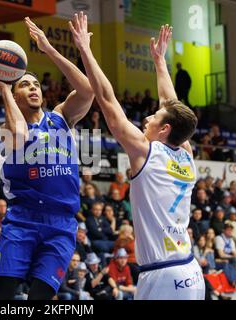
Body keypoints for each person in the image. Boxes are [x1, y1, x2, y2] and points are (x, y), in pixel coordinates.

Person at [70, 15, 203, 299]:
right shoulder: (186, 153)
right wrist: (159, 62)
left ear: (165, 129)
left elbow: (107, 100)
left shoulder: (146, 151)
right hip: (189, 271)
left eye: (154, 117)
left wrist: (85, 50)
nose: (148, 118)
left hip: (163, 274)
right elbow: (170, 103)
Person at [0, 17, 94, 300]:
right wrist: (5, 87)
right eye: (25, 85)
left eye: (36, 84)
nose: (34, 88)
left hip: (61, 224)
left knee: (39, 300)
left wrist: (48, 49)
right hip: (22, 219)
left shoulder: (61, 117)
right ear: (15, 93)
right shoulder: (4, 130)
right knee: (2, 297)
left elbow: (88, 90)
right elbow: (20, 136)